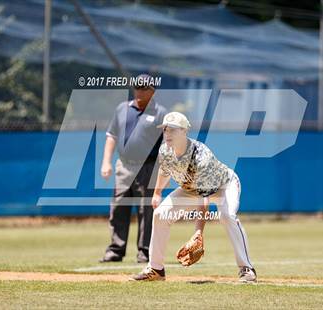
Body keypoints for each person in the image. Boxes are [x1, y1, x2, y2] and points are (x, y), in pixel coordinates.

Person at [130, 112, 257, 282]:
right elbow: (164, 170)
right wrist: (157, 193)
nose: (167, 134)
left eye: (172, 130)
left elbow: (203, 199)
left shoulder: (201, 157)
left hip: (224, 185)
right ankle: (156, 269)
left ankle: (247, 269)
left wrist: (198, 232)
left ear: (184, 131)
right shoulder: (165, 150)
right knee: (160, 214)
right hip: (190, 189)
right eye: (165, 130)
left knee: (227, 216)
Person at [100, 74, 167, 263]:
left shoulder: (160, 113)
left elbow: (167, 144)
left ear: (152, 91)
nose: (139, 90)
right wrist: (106, 162)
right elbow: (111, 135)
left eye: (144, 87)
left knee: (146, 210)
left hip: (148, 167)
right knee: (119, 207)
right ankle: (115, 250)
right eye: (137, 87)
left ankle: (145, 251)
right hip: (124, 166)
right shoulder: (122, 109)